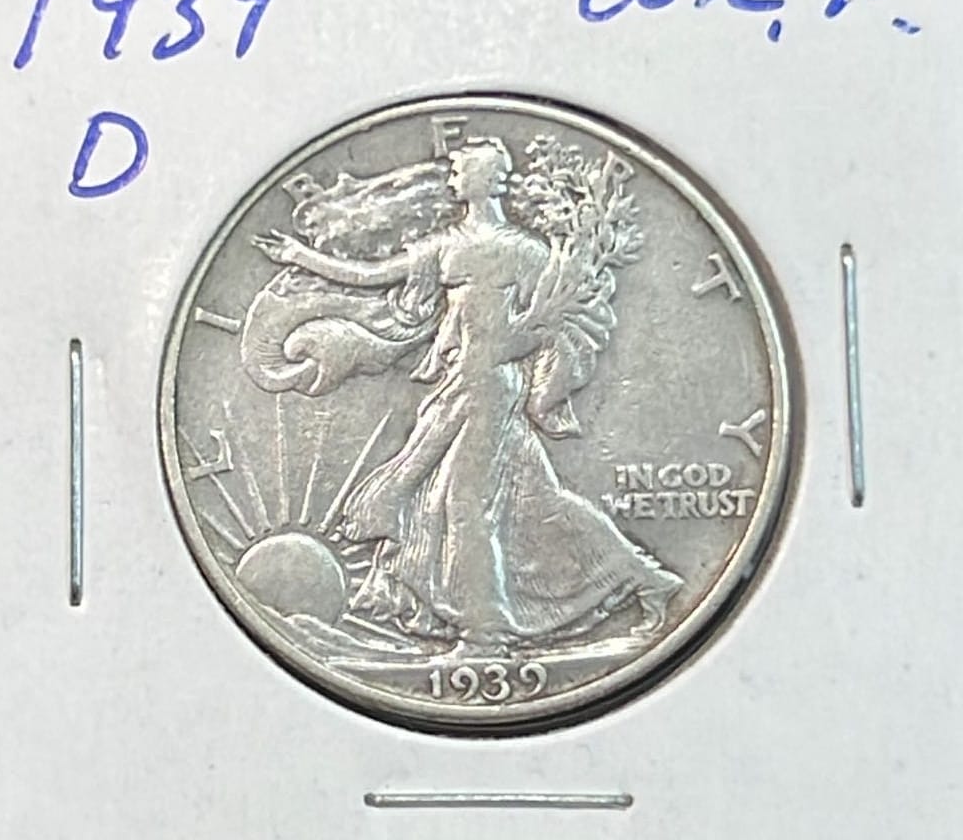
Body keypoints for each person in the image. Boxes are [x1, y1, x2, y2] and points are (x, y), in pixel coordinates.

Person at [249, 137, 682, 647]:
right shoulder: (449, 247)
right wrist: (300, 256)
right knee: (534, 503)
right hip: (462, 385)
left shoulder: (526, 253)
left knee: (465, 507)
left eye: (460, 171)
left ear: (487, 181)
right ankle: (649, 580)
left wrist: (519, 349)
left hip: (491, 389)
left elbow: (559, 320)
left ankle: (485, 632)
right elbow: (372, 277)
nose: (452, 178)